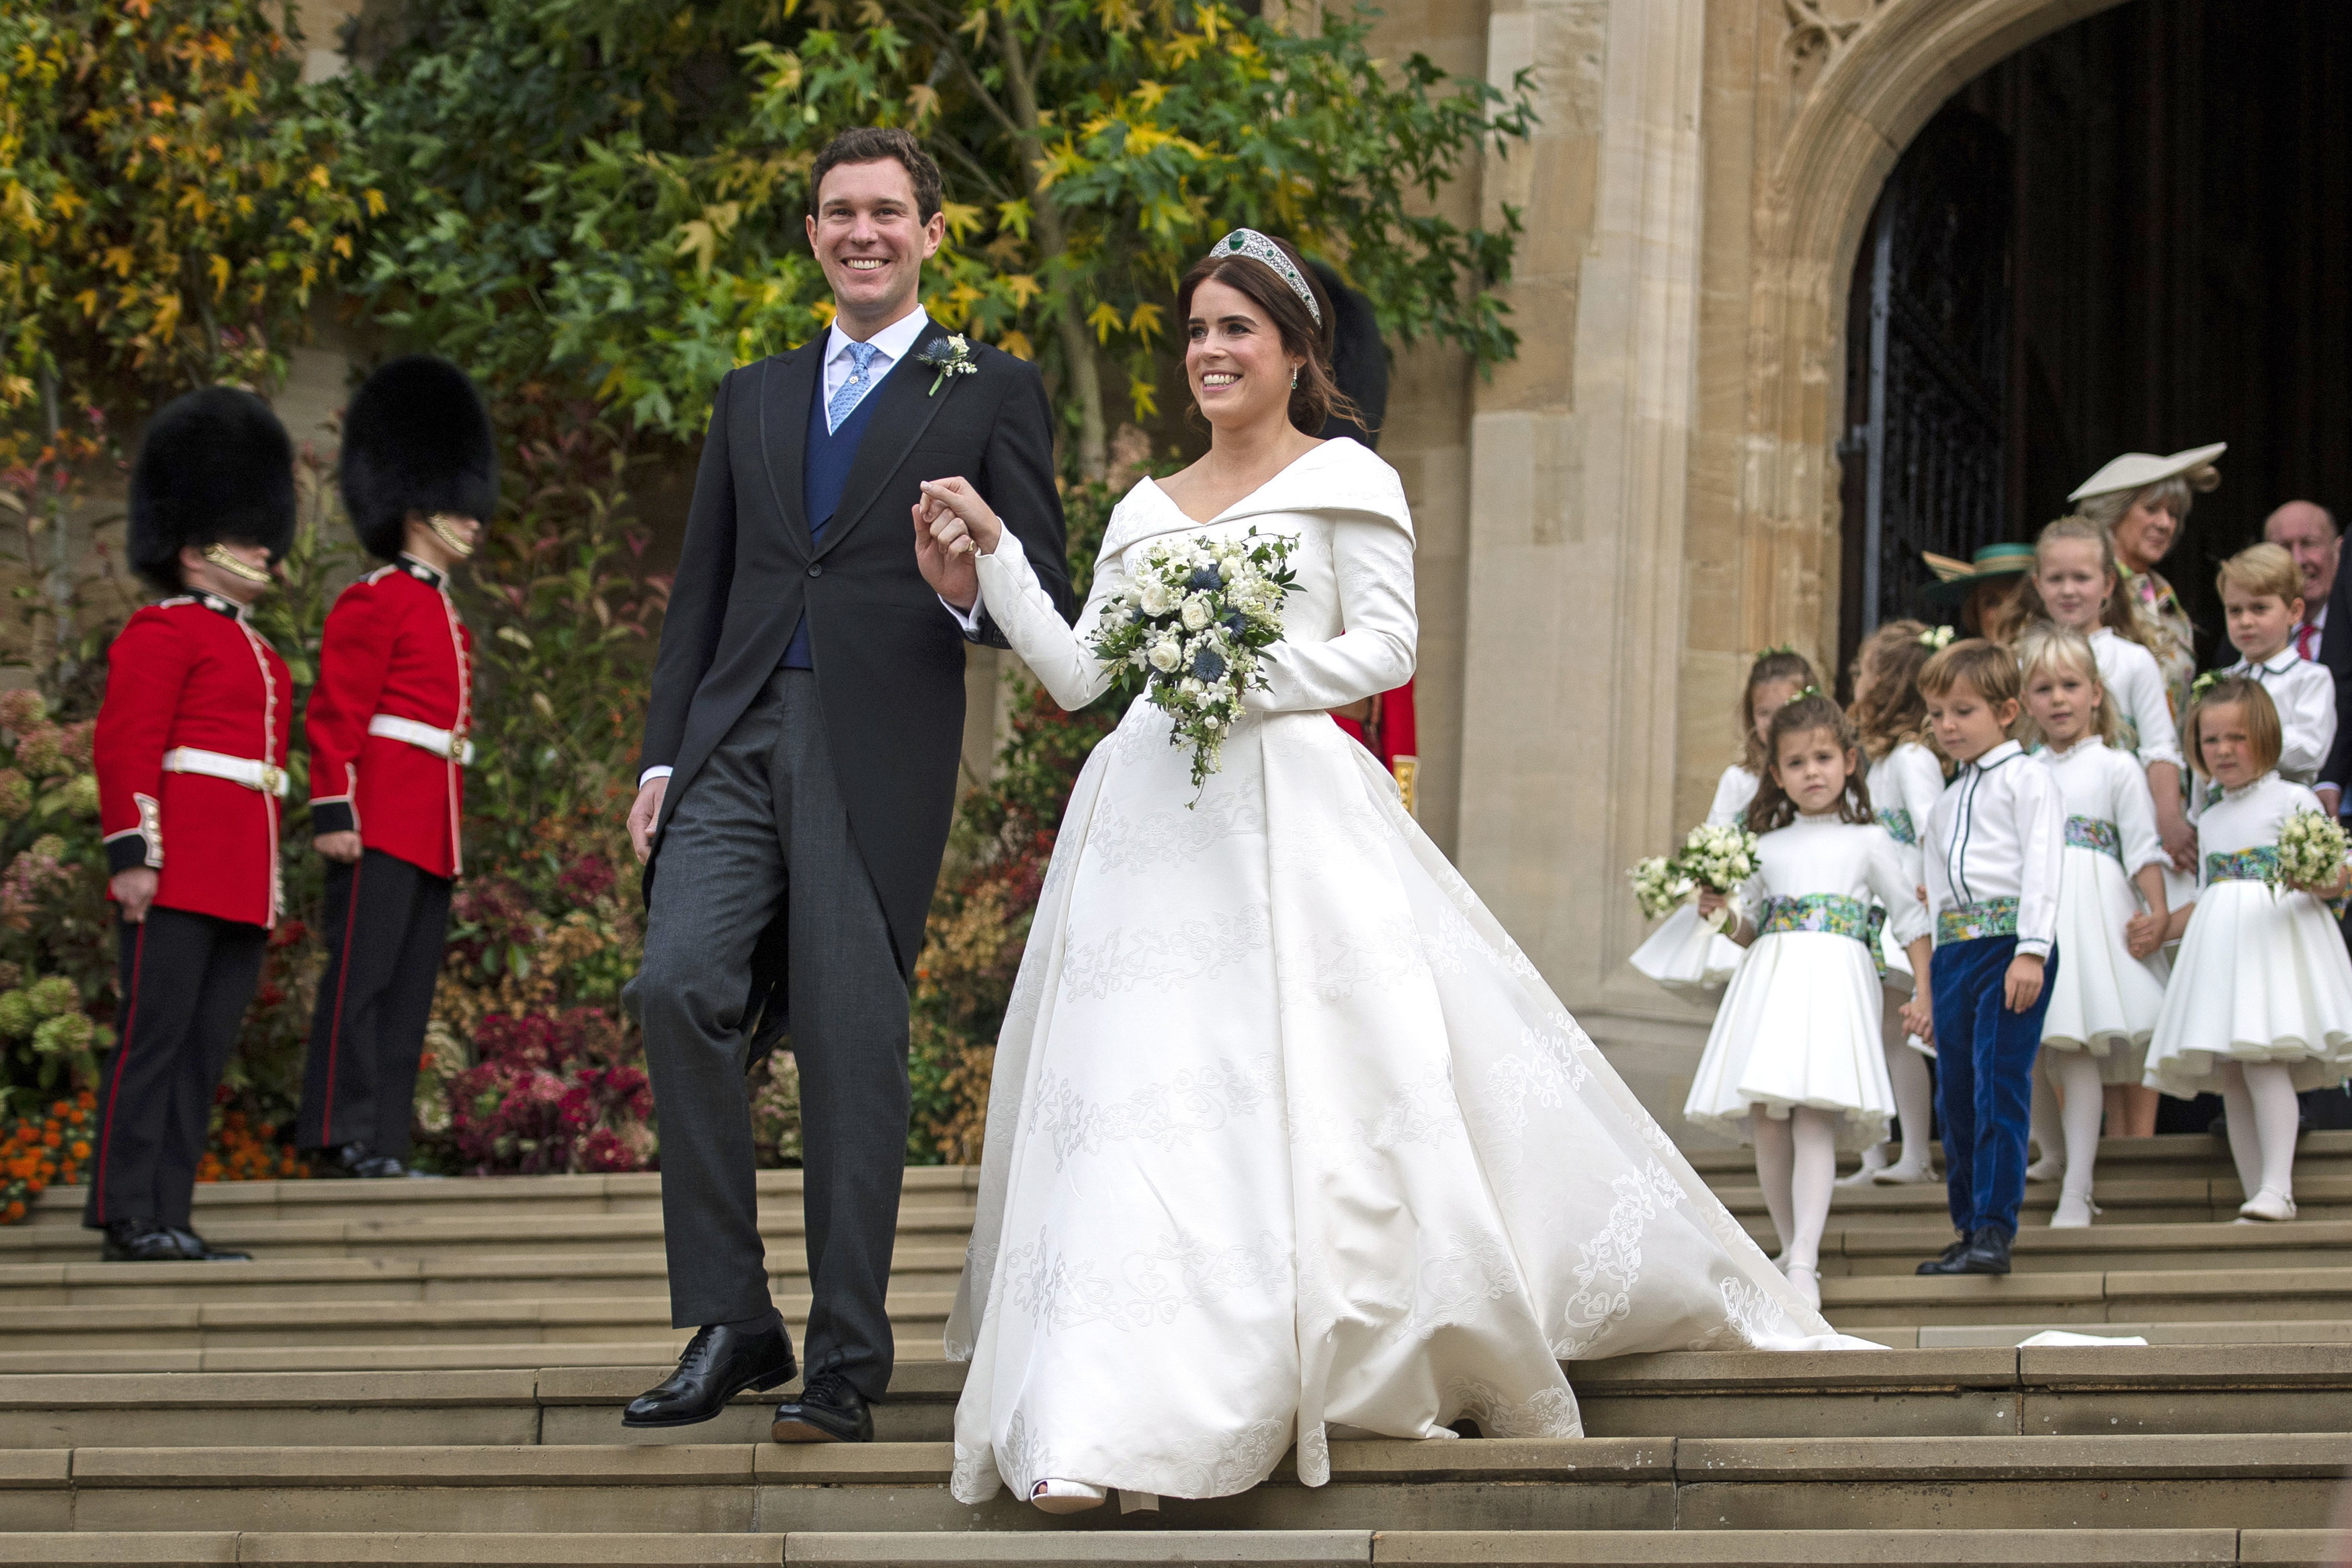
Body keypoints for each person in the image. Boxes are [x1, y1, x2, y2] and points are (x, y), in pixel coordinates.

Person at [916, 228, 1861, 1514]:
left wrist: (1234, 674)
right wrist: (992, 566)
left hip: (1292, 817)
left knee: (1294, 1099)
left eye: (1237, 329)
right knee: (1139, 1105)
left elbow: (1386, 649)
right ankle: (1091, 1420)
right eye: (1196, 330)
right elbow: (1084, 673)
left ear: (1296, 352)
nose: (1210, 351)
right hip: (1147, 829)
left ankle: (1282, 1369)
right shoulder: (1143, 507)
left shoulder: (1349, 478)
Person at [617, 128, 1072, 1438]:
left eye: (885, 211)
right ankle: (733, 1318)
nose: (860, 231)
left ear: (932, 232)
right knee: (675, 983)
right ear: (813, 234)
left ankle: (844, 1365)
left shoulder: (988, 389)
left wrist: (965, 592)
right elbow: (700, 591)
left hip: (877, 745)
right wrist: (662, 753)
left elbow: (1036, 599)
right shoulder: (751, 393)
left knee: (849, 1050)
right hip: (731, 733)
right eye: (836, 212)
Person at [88, 387, 296, 1263]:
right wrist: (135, 854)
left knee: (201, 1052)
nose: (263, 549)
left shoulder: (261, 651)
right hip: (174, 874)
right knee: (154, 1041)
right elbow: (126, 746)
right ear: (193, 542)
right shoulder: (162, 630)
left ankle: (169, 1210)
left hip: (238, 882)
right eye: (248, 534)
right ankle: (126, 1209)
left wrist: (268, 887)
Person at [298, 357, 492, 1180]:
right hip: (378, 818)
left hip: (429, 825)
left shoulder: (443, 611)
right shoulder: (375, 599)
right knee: (360, 985)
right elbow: (336, 714)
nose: (475, 521)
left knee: (406, 994)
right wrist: (334, 809)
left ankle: (381, 1140)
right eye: (459, 505)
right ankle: (337, 1133)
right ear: (418, 507)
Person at [1683, 691, 1934, 1309]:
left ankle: (1806, 1259)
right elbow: (1752, 929)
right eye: (1796, 763)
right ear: (1776, 775)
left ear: (1850, 762)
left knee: (1814, 1114)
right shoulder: (1764, 846)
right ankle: (1790, 1244)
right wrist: (1721, 913)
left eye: (1824, 757)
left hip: (1834, 984)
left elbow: (1909, 920)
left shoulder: (1871, 841)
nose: (1812, 772)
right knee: (1771, 1122)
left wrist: (1925, 988)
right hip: (1772, 982)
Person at [2144, 677, 2352, 1223]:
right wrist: (2161, 926)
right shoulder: (2208, 819)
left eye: (2237, 737)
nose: (2224, 751)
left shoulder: (2293, 798)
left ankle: (2278, 1188)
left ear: (2266, 737)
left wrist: (2321, 877)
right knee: (2234, 1072)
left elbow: (2336, 875)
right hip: (2224, 954)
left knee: (2262, 1062)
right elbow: (2213, 893)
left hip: (2275, 946)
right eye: (2211, 741)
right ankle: (2254, 1186)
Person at [1915, 638, 2062, 1276]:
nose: (1948, 726)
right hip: (1954, 953)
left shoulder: (2029, 779)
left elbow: (2043, 867)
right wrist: (1926, 986)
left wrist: (2031, 950)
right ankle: (1968, 1224)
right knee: (1956, 1094)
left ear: (2006, 711)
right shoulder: (1947, 801)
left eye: (1963, 711)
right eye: (1938, 713)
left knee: (1998, 1083)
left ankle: (1995, 1229)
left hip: (2008, 950)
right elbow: (1933, 893)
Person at [2015, 627, 2170, 1227]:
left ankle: (2079, 1186)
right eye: (2044, 688)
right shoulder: (2022, 769)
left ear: (2096, 694)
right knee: (2029, 1048)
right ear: (2025, 702)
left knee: (2074, 1044)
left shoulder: (2116, 765)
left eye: (2071, 687)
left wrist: (2156, 916)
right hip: (2035, 915)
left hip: (2092, 915)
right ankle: (2053, 1154)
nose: (2059, 700)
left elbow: (2143, 847)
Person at [1628, 648, 1816, 998]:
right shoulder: (1739, 779)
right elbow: (1716, 834)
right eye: (1764, 713)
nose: (1774, 723)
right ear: (1750, 716)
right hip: (1747, 901)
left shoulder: (1816, 777)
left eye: (1785, 711)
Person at [1840, 620, 1946, 1186]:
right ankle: (1878, 1152)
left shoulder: (1911, 759)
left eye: (1865, 672)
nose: (1855, 682)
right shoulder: (1879, 761)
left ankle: (1915, 1155)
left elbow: (1935, 831)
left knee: (1898, 1031)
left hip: (1907, 909)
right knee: (1881, 1032)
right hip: (1880, 908)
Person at [2070, 443, 2225, 729]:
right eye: (2152, 509)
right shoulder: (2084, 594)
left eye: (2174, 513)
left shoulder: (2165, 598)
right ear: (2115, 512)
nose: (2165, 523)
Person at [2212, 543, 2335, 787]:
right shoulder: (2220, 683)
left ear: (2294, 611)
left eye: (2259, 608)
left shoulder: (2310, 678)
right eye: (2235, 610)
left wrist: (2244, 742)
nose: (2245, 621)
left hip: (2286, 813)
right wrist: (2197, 817)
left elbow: (2310, 750)